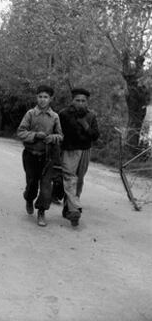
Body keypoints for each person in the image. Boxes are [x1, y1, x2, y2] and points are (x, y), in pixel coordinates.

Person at [17, 85, 63, 227]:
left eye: (46, 97)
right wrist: (35, 135)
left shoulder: (55, 116)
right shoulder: (30, 114)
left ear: (51, 99)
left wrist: (52, 138)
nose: (43, 100)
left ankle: (41, 211)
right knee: (31, 183)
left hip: (47, 157)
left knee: (45, 186)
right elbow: (20, 132)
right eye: (40, 97)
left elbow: (60, 136)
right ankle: (29, 199)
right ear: (36, 97)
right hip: (30, 155)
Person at [59, 87, 99, 227]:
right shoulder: (63, 114)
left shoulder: (91, 115)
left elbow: (95, 136)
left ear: (87, 102)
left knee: (79, 180)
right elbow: (58, 133)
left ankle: (68, 209)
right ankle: (75, 209)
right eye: (77, 100)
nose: (80, 103)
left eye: (83, 101)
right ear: (72, 101)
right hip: (69, 150)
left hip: (85, 151)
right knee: (70, 179)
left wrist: (85, 125)